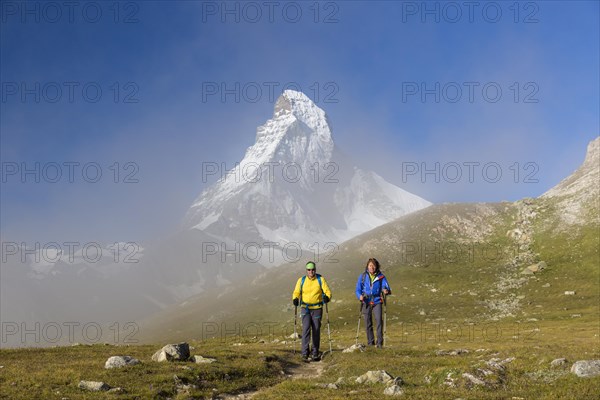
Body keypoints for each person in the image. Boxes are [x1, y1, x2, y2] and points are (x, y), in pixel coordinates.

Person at [292, 261, 332, 362]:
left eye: (313, 269)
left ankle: (315, 353)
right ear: (306, 270)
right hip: (305, 308)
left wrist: (327, 297)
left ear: (315, 270)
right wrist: (295, 298)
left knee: (316, 330)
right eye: (309, 270)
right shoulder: (301, 280)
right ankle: (305, 353)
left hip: (317, 308)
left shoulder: (320, 279)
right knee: (305, 330)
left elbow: (327, 291)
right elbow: (296, 291)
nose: (311, 271)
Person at [355, 258, 391, 348]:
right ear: (367, 266)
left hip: (377, 301)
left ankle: (379, 344)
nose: (372, 267)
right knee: (368, 322)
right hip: (366, 301)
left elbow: (386, 286)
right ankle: (371, 343)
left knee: (379, 321)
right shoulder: (363, 276)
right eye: (370, 265)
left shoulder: (381, 276)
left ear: (376, 266)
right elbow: (358, 289)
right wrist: (359, 296)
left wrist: (386, 290)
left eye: (374, 265)